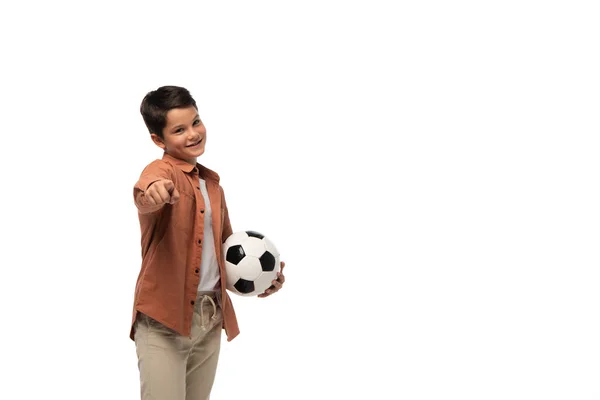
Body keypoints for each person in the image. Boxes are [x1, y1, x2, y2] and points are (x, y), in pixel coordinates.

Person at [129, 85, 286, 400]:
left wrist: (260, 281)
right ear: (158, 140)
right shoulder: (161, 172)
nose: (193, 134)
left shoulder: (213, 187)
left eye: (196, 122)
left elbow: (223, 254)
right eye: (179, 129)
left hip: (210, 316)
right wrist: (157, 191)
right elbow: (146, 190)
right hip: (164, 320)